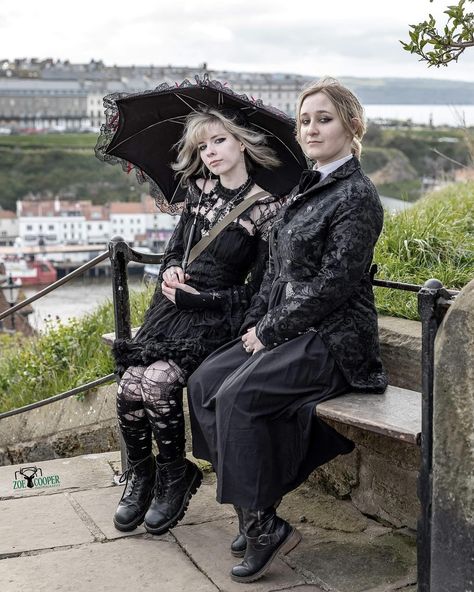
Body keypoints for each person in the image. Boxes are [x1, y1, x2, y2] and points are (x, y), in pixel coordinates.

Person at [187, 78, 388, 583]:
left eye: (324, 118)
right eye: (305, 120)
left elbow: (334, 287)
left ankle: (261, 525)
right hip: (287, 328)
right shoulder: (309, 182)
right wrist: (257, 320)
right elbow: (276, 270)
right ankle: (253, 510)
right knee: (204, 383)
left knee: (237, 398)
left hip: (334, 339)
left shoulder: (357, 196)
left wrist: (271, 331)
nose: (312, 128)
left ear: (352, 125)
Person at [112, 107, 284, 535]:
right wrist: (171, 269)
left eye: (219, 141)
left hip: (213, 316)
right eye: (202, 146)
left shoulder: (265, 208)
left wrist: (202, 298)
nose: (210, 152)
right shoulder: (196, 191)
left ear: (242, 142)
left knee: (157, 382)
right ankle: (143, 475)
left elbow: (259, 289)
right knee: (128, 386)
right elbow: (174, 251)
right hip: (169, 309)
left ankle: (175, 476)